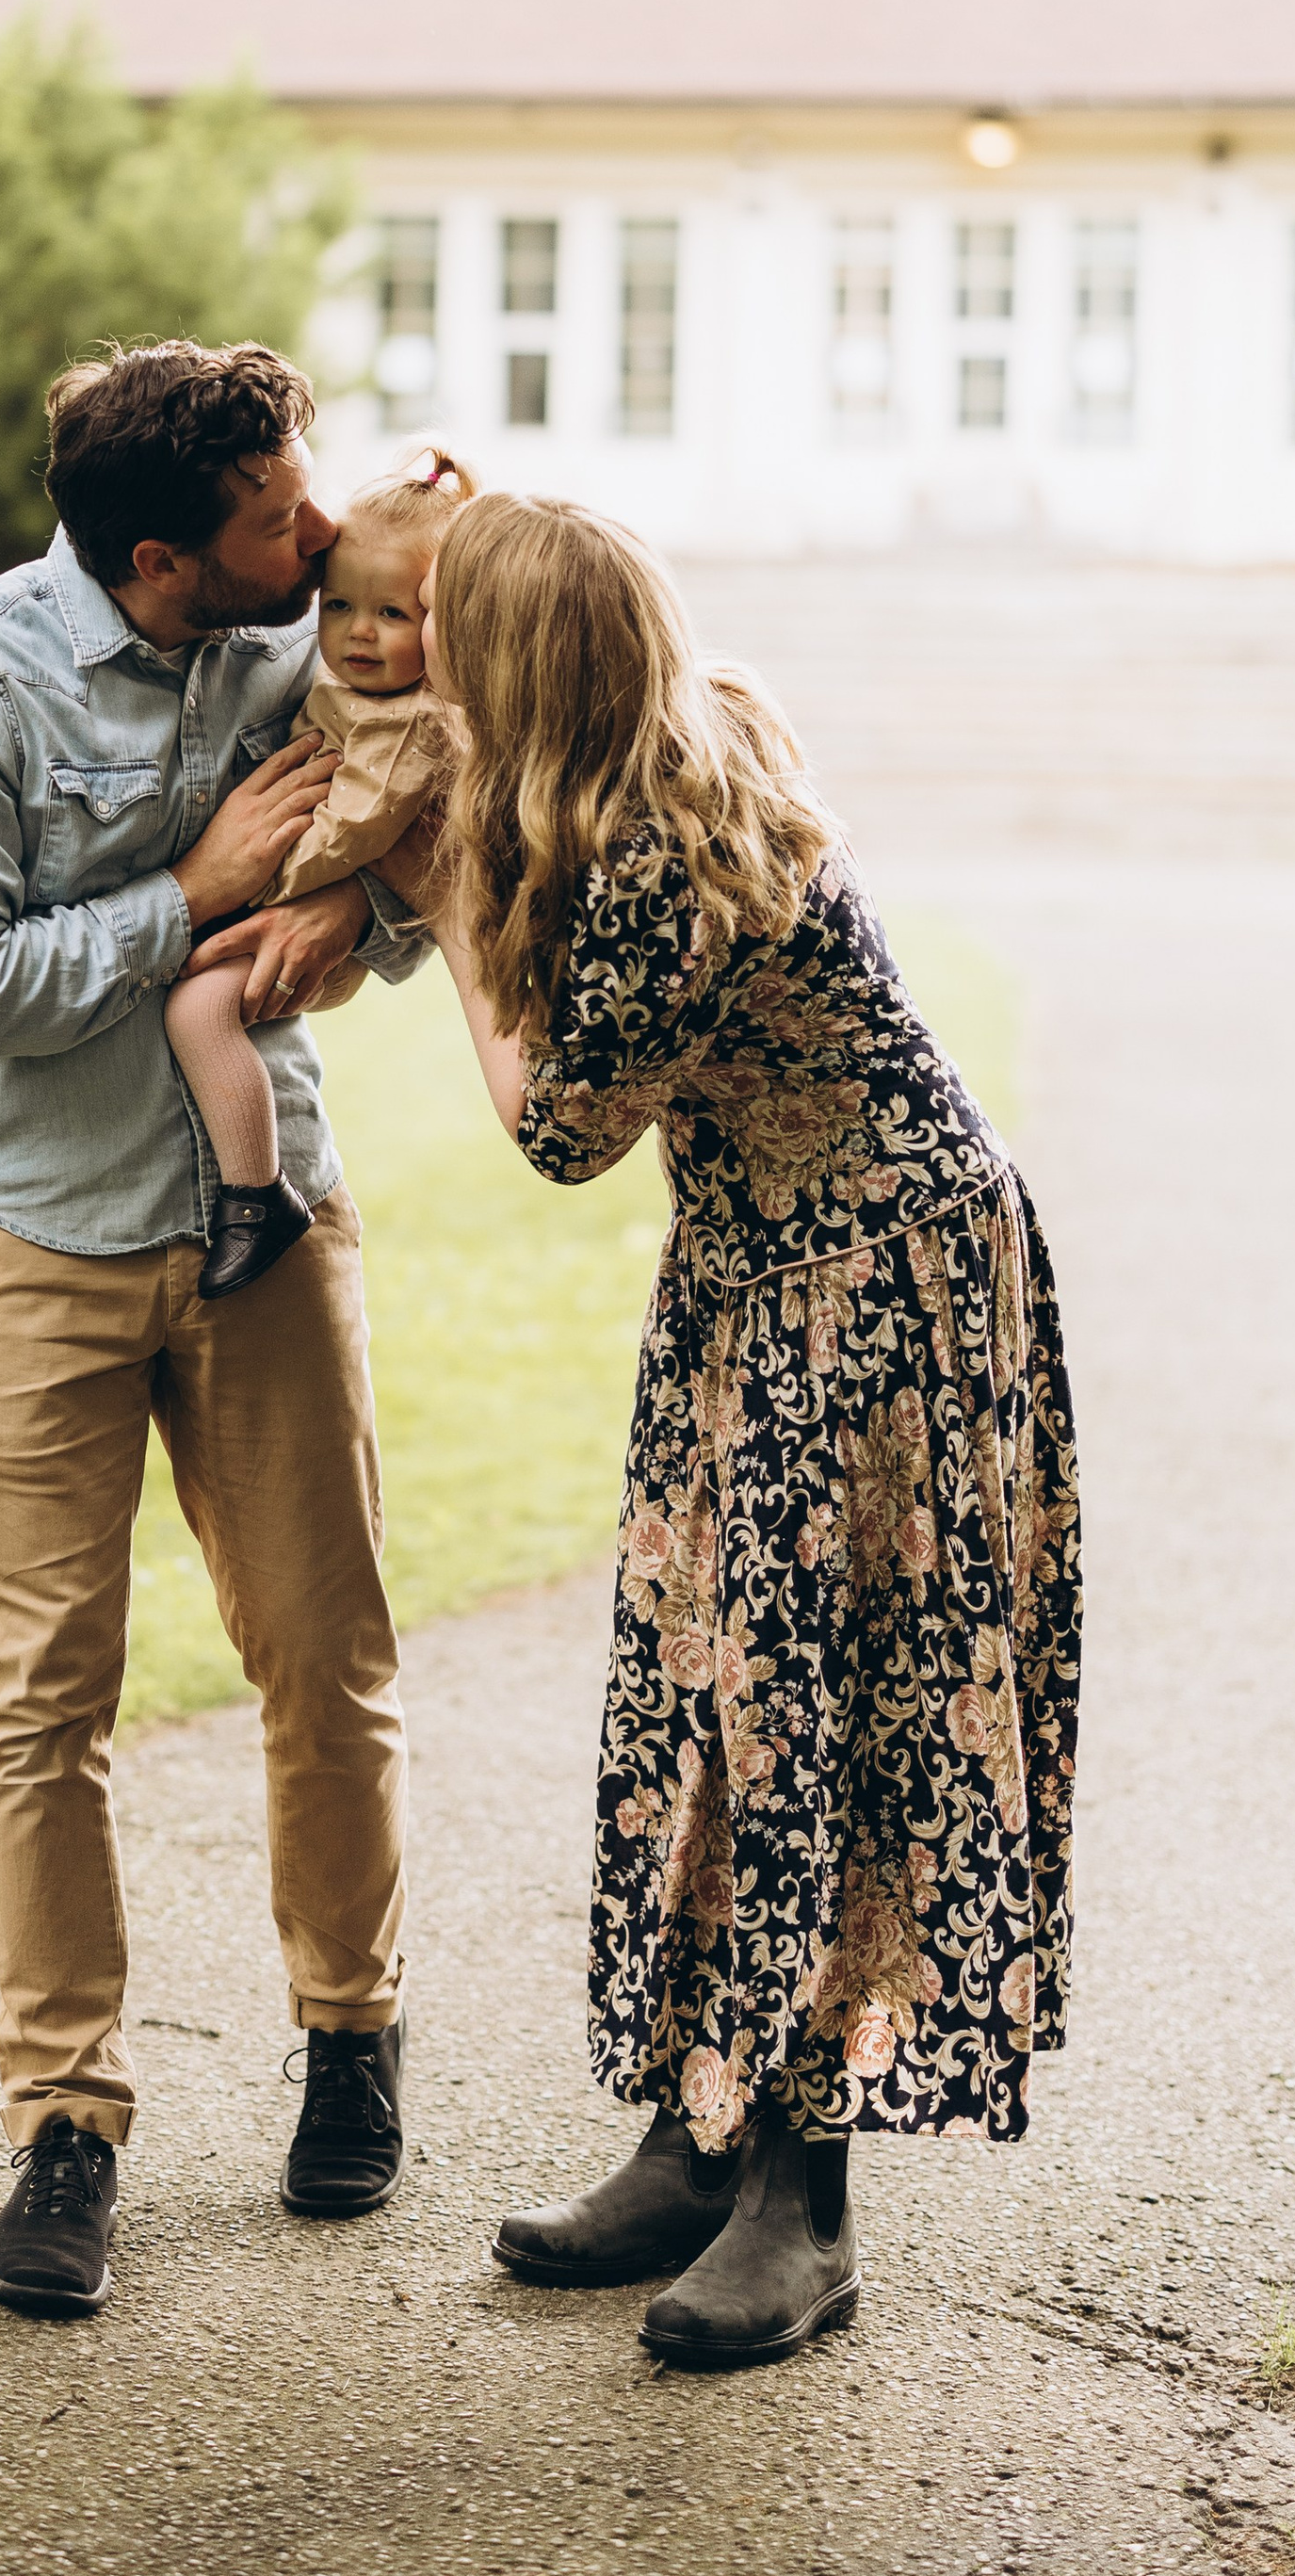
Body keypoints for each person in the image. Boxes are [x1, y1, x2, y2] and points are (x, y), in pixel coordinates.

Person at [389, 495, 1082, 2371]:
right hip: (759, 1268)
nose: (415, 654)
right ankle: (695, 2139)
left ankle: (804, 2193)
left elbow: (552, 1129)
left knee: (819, 1719)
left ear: (518, 667)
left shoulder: (650, 864)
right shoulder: (667, 742)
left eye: (444, 629)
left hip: (874, 1285)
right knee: (706, 1686)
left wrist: (449, 891)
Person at [0, 339, 430, 2322]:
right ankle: (64, 2126)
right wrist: (182, 887)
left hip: (266, 1232)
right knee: (41, 1707)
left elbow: (421, 855)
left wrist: (343, 926)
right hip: (30, 1241)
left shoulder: (307, 629)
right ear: (160, 559)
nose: (322, 524)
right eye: (281, 509)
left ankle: (350, 2036)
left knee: (326, 1658)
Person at [164, 447, 475, 1298]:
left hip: (311, 920)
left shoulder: (408, 725)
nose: (358, 633)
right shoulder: (353, 688)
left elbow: (352, 829)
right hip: (293, 899)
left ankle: (256, 1194)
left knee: (198, 1007)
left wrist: (250, 881)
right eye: (338, 605)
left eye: (392, 614)